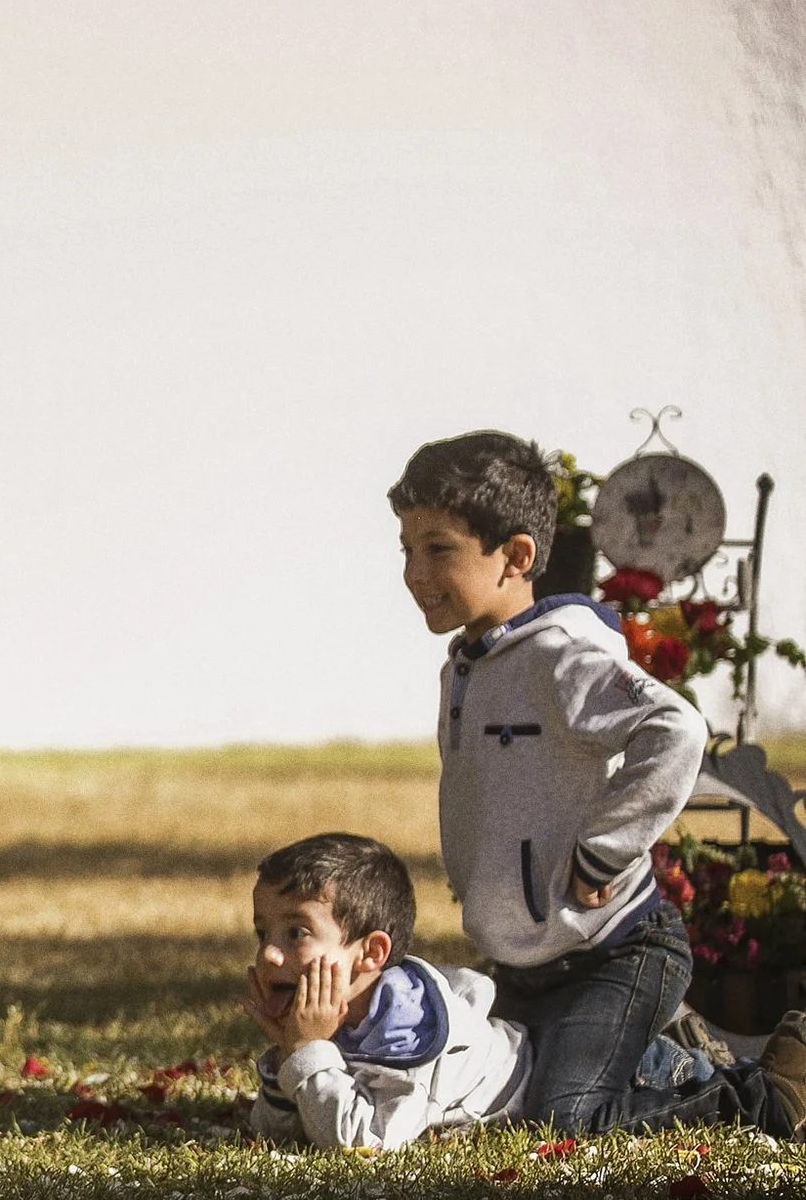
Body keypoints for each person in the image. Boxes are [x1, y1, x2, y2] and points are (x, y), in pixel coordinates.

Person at [388, 431, 806, 1134]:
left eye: (438, 547)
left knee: (565, 1117)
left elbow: (676, 729)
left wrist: (603, 850)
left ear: (517, 557)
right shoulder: (465, 662)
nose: (414, 570)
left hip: (616, 950)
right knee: (485, 1094)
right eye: (406, 547)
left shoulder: (561, 657)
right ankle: (666, 1057)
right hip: (525, 962)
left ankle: (772, 1095)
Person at [244, 834, 531, 1148]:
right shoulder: (333, 1009)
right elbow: (274, 1133)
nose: (269, 953)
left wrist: (307, 1050)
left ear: (371, 953)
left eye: (297, 933)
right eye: (263, 933)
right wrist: (289, 1052)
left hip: (534, 1080)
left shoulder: (408, 1034)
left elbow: (368, 1142)